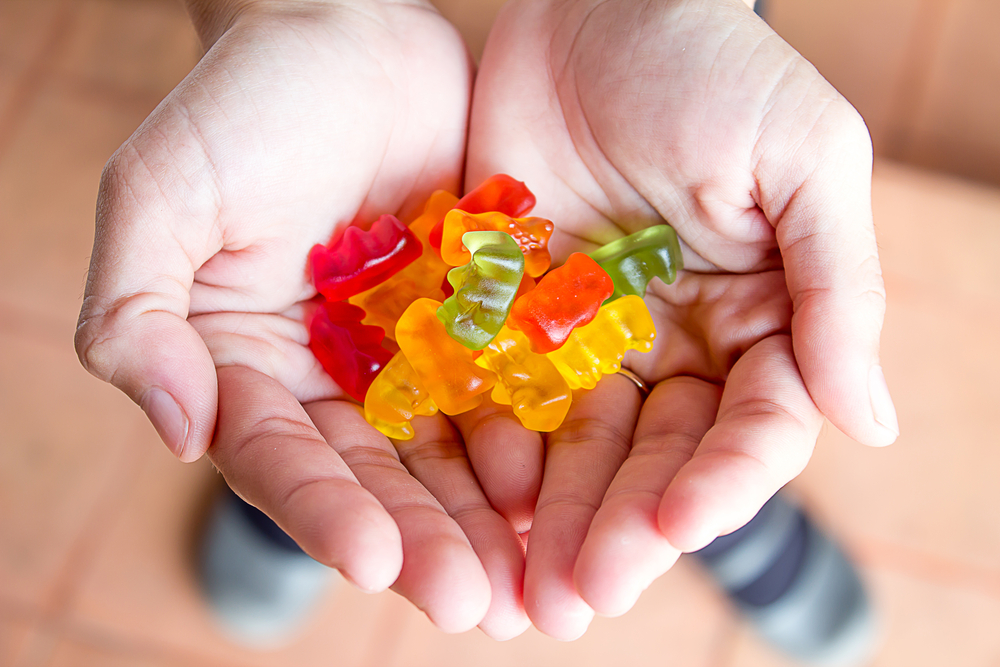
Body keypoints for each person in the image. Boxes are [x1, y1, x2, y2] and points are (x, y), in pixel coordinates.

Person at [74, 0, 898, 660]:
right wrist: (294, 12)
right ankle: (275, 513)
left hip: (605, 256)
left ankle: (724, 523)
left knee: (699, 390)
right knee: (284, 390)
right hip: (370, 332)